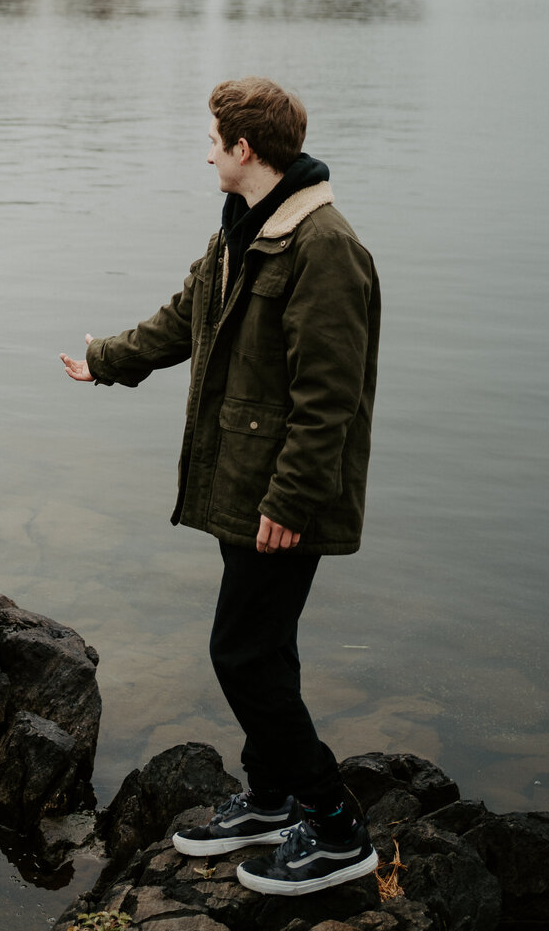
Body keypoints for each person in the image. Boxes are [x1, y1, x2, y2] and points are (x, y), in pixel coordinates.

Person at [60, 77, 381, 899]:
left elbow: (328, 396)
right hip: (250, 485)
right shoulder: (245, 230)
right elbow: (183, 319)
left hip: (283, 496)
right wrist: (106, 361)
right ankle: (272, 797)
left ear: (244, 149)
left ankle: (336, 825)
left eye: (212, 138)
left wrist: (289, 501)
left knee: (240, 655)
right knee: (266, 647)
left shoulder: (324, 246)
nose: (204, 149)